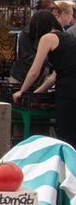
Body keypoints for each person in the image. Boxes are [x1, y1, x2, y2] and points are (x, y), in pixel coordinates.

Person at [14, 11, 76, 143]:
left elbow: (34, 71)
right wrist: (37, 93)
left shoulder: (47, 38)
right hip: (71, 90)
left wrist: (22, 91)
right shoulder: (67, 38)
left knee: (66, 137)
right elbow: (53, 77)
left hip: (67, 92)